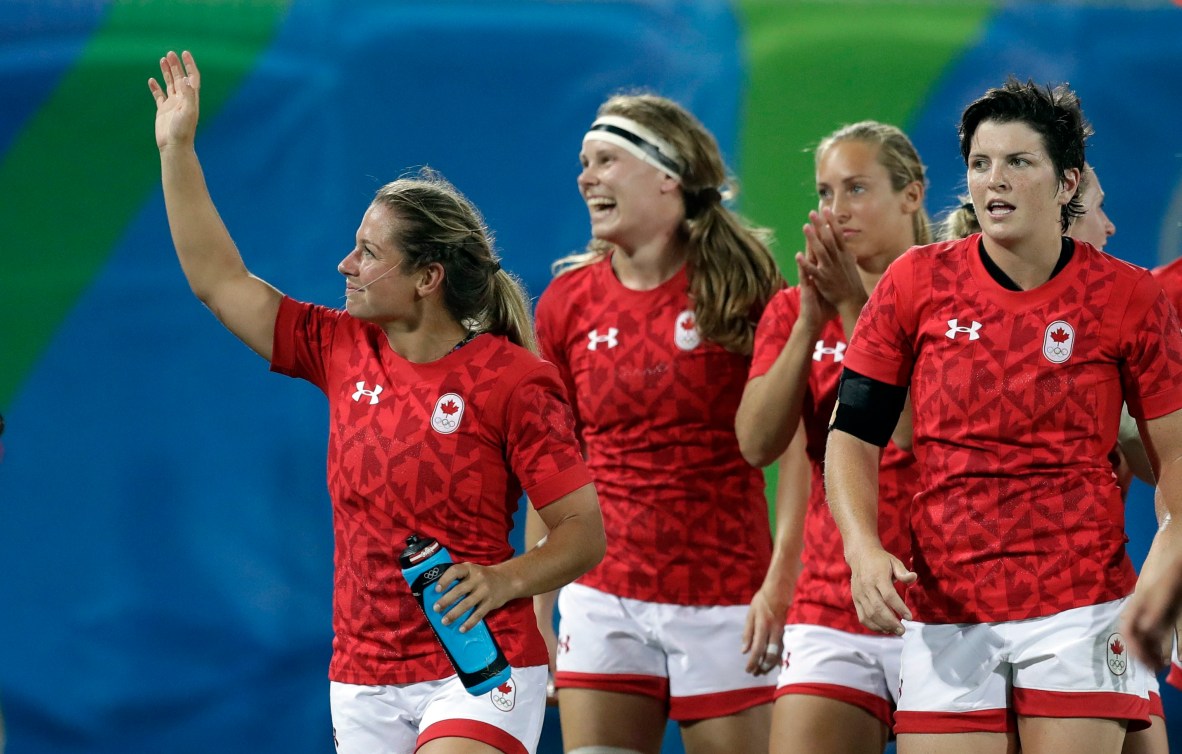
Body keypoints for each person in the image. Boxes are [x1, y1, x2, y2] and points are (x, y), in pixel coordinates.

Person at [149, 50, 605, 754]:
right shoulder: (337, 347)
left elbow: (582, 532)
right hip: (362, 675)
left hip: (480, 666)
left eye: (367, 252)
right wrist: (177, 148)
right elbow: (217, 280)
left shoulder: (514, 381)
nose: (345, 265)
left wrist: (504, 578)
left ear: (427, 276)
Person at [825, 78, 1182, 754]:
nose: (996, 180)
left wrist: (1165, 576)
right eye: (982, 163)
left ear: (1066, 181)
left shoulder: (1130, 297)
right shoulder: (915, 282)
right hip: (946, 605)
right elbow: (853, 433)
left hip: (1082, 603)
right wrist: (862, 548)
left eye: (1020, 162)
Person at [531, 93, 782, 754]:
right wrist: (535, 608)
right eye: (584, 163)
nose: (586, 177)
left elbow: (808, 448)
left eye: (606, 160)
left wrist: (788, 584)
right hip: (603, 599)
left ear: (667, 175)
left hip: (728, 596)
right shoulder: (565, 304)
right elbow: (551, 467)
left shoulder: (745, 290)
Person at [734, 121, 928, 754]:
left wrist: (852, 312)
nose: (835, 210)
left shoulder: (950, 299)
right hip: (832, 599)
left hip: (945, 604)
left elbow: (907, 437)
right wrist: (810, 322)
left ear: (912, 194)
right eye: (824, 192)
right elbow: (757, 444)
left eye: (856, 188)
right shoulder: (793, 308)